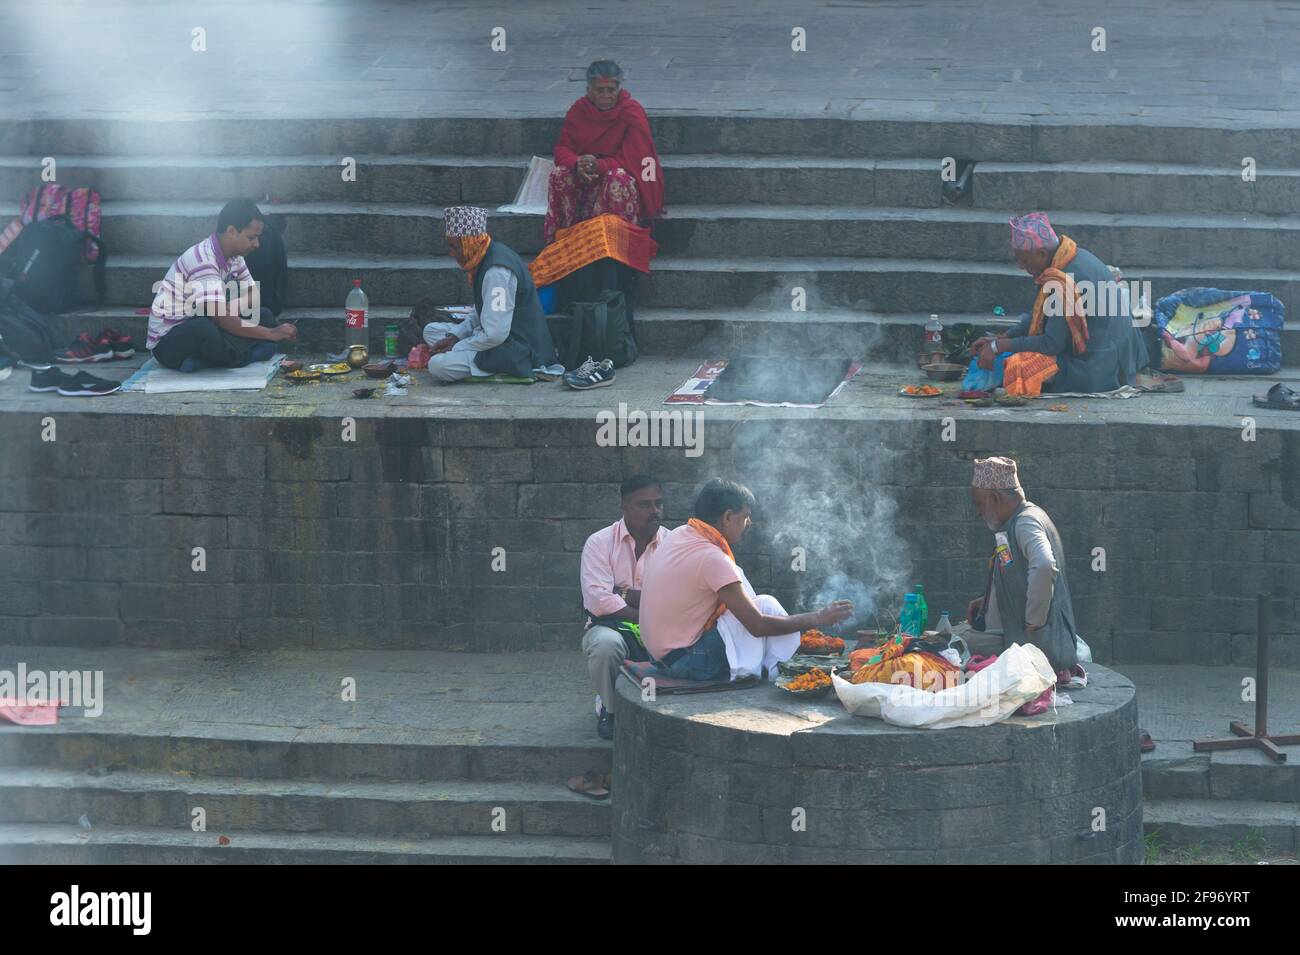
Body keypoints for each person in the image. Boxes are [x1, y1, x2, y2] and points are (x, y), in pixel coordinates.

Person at [639, 478, 853, 682]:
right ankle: (781, 673)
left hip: (663, 658)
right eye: (745, 516)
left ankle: (777, 669)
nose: (748, 523)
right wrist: (819, 617)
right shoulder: (712, 558)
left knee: (761, 600)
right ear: (728, 517)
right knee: (767, 608)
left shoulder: (681, 534)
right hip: (689, 661)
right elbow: (757, 625)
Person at [972, 212, 1146, 395]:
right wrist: (1003, 338)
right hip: (1121, 357)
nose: (1021, 266)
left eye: (1024, 260)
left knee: (1019, 365)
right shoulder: (1072, 255)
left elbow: (1051, 344)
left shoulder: (1062, 280)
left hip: (1100, 367)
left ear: (1041, 254)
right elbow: (1039, 315)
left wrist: (999, 347)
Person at [147, 199, 296, 371]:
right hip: (169, 343)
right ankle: (250, 355)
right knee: (205, 330)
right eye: (251, 237)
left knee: (264, 315)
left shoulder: (235, 256)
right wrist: (270, 334)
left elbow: (253, 294)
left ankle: (208, 360)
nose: (257, 244)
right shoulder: (203, 260)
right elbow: (222, 320)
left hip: (208, 319)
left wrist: (232, 306)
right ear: (232, 231)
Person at [964, 456, 1080, 676]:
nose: (978, 512)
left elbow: (1044, 566)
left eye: (979, 504)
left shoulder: (1026, 522)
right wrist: (988, 601)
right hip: (1016, 635)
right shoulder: (1017, 522)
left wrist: (1034, 623)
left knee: (954, 644)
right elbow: (1021, 575)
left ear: (996, 498)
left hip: (1035, 644)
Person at [425, 206, 559, 382]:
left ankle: (500, 371)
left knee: (437, 366)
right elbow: (481, 311)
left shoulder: (497, 273)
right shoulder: (484, 255)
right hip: (495, 336)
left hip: (517, 349)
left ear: (468, 243)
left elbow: (495, 334)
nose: (451, 253)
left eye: (454, 247)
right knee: (431, 331)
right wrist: (455, 336)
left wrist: (457, 347)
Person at [580, 475, 668, 740]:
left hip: (664, 628)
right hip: (611, 627)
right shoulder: (599, 543)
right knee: (605, 645)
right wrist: (648, 612)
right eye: (644, 504)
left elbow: (674, 598)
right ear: (625, 507)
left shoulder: (674, 545)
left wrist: (624, 593)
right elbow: (599, 601)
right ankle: (611, 709)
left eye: (658, 504)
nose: (654, 511)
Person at [545, 59, 665, 245]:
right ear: (589, 91)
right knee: (559, 174)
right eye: (600, 90)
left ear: (619, 90)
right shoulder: (579, 110)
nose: (606, 96)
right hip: (586, 181)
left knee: (617, 178)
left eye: (611, 90)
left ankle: (616, 244)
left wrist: (598, 165)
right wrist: (577, 164)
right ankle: (565, 241)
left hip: (616, 182)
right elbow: (562, 148)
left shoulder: (631, 111)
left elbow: (637, 160)